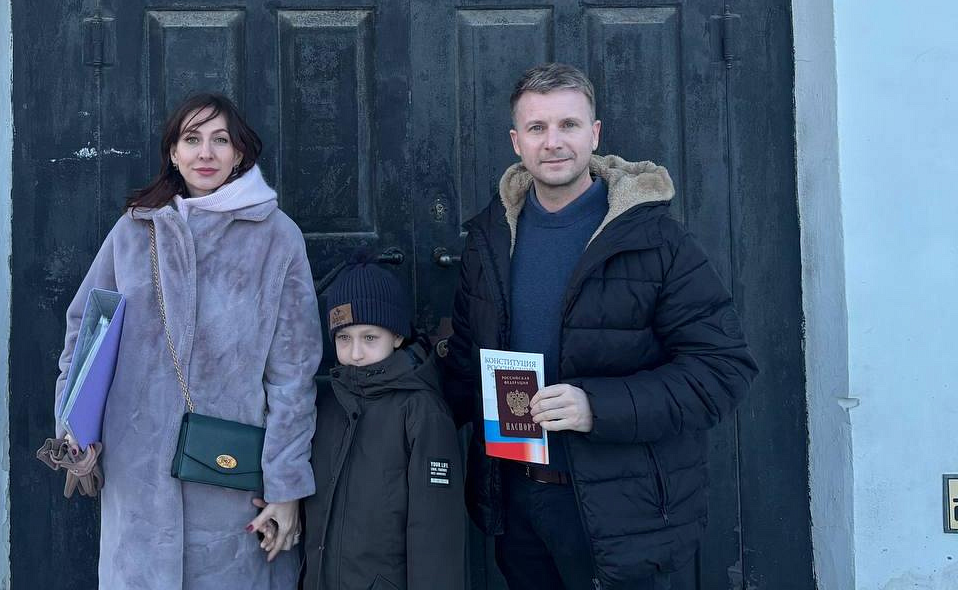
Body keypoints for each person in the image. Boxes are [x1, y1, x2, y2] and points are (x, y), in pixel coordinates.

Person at [438, 63, 758, 589]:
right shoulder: (490, 239)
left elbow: (723, 370)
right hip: (518, 500)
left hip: (621, 513)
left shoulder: (657, 241)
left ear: (595, 134)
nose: (553, 142)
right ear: (517, 142)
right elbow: (464, 363)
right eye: (537, 128)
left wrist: (597, 407)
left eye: (569, 124)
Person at [54, 92, 323, 590]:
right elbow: (85, 332)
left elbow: (294, 372)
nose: (206, 153)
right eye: (192, 139)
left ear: (239, 153)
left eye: (220, 140)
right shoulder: (134, 231)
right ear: (173, 153)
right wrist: (73, 424)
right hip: (137, 475)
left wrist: (286, 485)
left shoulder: (276, 237)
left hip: (229, 479)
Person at [303, 255, 465, 590]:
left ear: (396, 336)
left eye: (369, 337)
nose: (356, 353)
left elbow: (436, 533)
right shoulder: (328, 403)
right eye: (344, 338)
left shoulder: (422, 412)